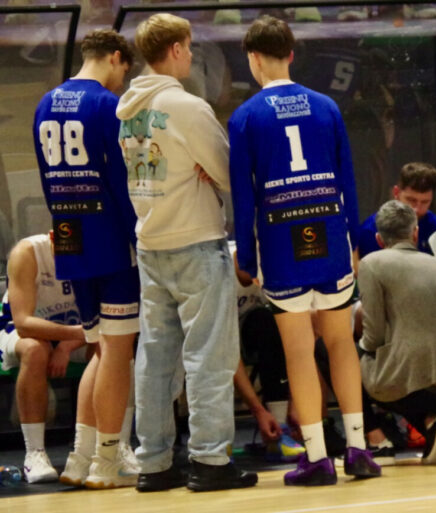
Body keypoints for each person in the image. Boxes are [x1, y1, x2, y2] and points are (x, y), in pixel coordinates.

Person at [228, 16, 380, 486]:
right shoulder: (327, 107)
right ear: (292, 55)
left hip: (281, 242)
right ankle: (358, 449)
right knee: (341, 344)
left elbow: (244, 197)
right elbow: (348, 180)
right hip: (331, 235)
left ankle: (317, 457)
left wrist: (247, 259)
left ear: (253, 58)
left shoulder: (245, 117)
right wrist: (352, 241)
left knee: (298, 351)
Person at [116, 13, 256, 492]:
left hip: (151, 242)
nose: (192, 54)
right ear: (175, 49)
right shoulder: (187, 106)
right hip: (195, 240)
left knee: (155, 359)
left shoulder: (127, 110)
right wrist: (208, 171)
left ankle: (154, 464)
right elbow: (227, 172)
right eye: (190, 46)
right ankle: (210, 460)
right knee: (208, 357)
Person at [33, 29, 140, 489]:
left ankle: (80, 458)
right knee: (117, 351)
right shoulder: (107, 105)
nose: (122, 80)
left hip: (70, 237)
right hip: (110, 239)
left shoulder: (44, 104)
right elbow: (121, 180)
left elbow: (46, 178)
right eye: (124, 70)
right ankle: (108, 461)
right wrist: (138, 233)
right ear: (115, 58)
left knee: (99, 346)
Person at [358, 200, 436, 465]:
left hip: (414, 386)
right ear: (415, 233)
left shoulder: (371, 263)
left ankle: (377, 441)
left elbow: (373, 337)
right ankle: (434, 423)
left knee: (336, 353)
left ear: (379, 239)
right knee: (407, 366)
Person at [0, 234, 87, 483]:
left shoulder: (98, 249)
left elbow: (106, 318)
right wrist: (74, 335)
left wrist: (65, 347)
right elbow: (23, 323)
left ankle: (104, 448)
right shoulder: (28, 253)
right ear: (53, 236)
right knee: (36, 350)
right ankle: (34, 453)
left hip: (75, 334)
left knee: (112, 348)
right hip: (20, 332)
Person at [230, 241, 305, 462]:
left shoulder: (270, 270)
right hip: (215, 339)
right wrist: (258, 411)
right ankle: (216, 443)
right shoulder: (220, 276)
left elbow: (299, 339)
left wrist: (297, 403)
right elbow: (227, 353)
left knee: (270, 322)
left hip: (251, 330)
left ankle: (280, 428)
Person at [358, 162, 436, 258]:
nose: (417, 209)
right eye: (411, 200)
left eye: (425, 202)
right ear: (396, 193)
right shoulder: (370, 230)